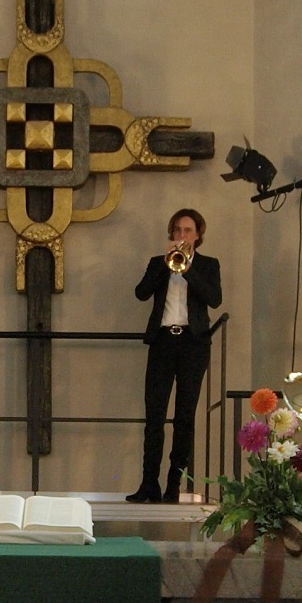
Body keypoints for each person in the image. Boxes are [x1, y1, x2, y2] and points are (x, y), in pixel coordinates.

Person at [126, 208, 222, 504]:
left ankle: (173, 485)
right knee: (154, 416)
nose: (182, 236)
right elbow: (141, 293)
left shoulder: (208, 264)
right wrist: (166, 267)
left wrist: (187, 269)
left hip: (193, 345)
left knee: (184, 418)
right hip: (163, 342)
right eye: (178, 230)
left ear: (198, 235)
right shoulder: (158, 263)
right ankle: (148, 483)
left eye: (188, 230)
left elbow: (214, 299)